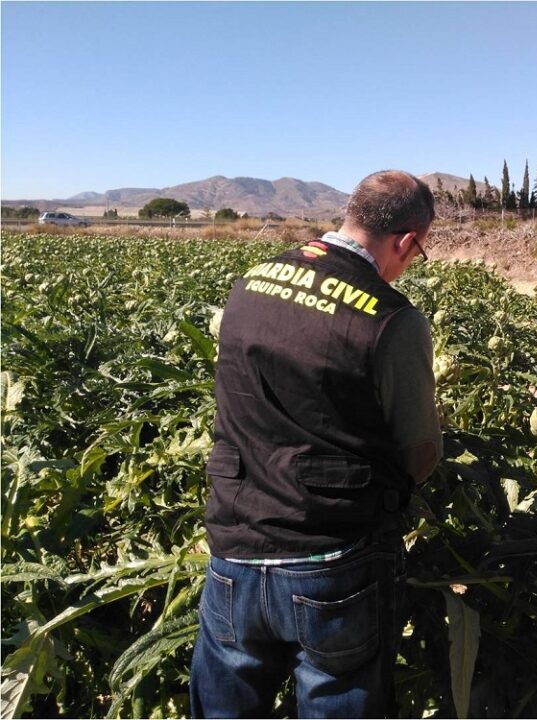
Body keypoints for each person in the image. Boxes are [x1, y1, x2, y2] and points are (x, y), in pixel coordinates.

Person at [190, 170, 442, 718]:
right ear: (405, 240)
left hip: (234, 545)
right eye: (415, 253)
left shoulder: (249, 283)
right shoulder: (392, 317)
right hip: (332, 559)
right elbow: (420, 452)